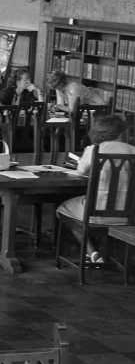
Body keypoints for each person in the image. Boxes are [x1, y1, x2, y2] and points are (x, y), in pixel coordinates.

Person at [55, 112, 135, 265]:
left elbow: (80, 171)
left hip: (96, 213)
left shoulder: (94, 149)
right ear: (121, 131)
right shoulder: (133, 151)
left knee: (64, 208)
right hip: (127, 215)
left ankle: (92, 252)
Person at [45, 69, 111, 121]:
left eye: (54, 87)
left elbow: (72, 109)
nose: (55, 89)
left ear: (60, 83)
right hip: (85, 112)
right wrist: (55, 108)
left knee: (69, 123)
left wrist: (55, 105)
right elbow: (61, 105)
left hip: (98, 111)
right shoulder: (60, 87)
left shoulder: (73, 88)